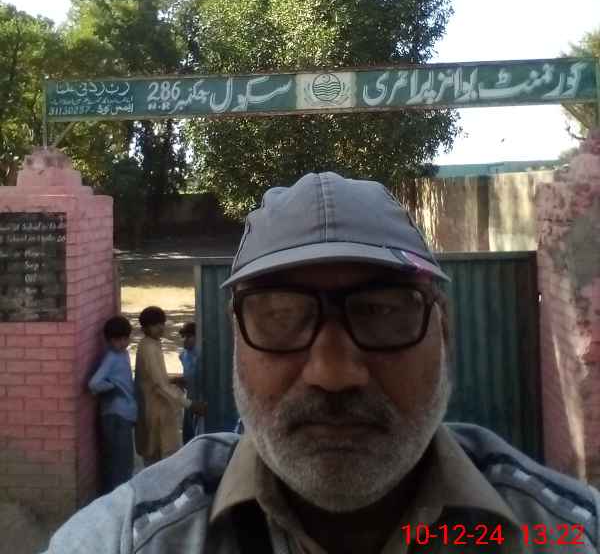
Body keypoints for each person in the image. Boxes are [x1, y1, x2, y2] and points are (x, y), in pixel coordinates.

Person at [44, 173, 600, 553]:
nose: (334, 375)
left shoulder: (567, 534)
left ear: (444, 333)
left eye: (382, 313)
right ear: (237, 341)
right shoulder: (128, 539)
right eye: (281, 318)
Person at [134, 305, 205, 465]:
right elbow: (159, 385)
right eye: (155, 325)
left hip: (157, 407)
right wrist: (190, 404)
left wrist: (172, 380)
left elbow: (155, 378)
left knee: (159, 455)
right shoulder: (149, 348)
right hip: (153, 410)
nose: (160, 328)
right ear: (145, 328)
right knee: (156, 458)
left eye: (161, 323)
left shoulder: (152, 344)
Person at [88, 315, 137, 494]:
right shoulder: (111, 358)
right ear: (109, 341)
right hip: (115, 416)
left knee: (124, 460)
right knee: (119, 462)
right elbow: (94, 383)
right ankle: (117, 497)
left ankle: (119, 495)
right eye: (117, 340)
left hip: (124, 413)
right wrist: (111, 387)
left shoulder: (123, 354)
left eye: (125, 338)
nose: (122, 343)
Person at [178, 321, 199, 444]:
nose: (185, 340)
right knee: (188, 437)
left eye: (189, 336)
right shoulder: (183, 355)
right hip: (190, 399)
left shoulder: (200, 356)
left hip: (200, 399)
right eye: (183, 337)